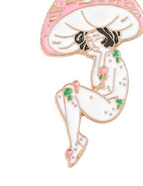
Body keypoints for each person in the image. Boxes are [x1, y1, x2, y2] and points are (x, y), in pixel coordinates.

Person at [55, 27, 128, 167]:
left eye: (96, 37)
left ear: (105, 37)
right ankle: (77, 138)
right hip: (101, 99)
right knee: (61, 95)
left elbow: (107, 90)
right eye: (89, 38)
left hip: (110, 105)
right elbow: (96, 84)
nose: (92, 41)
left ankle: (75, 144)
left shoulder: (111, 57)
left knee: (70, 92)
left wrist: (84, 93)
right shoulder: (100, 56)